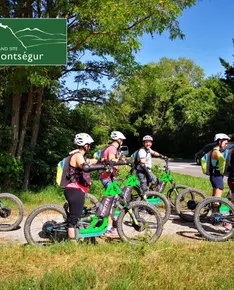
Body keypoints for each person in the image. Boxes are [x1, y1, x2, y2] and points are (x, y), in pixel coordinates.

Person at [64, 133, 100, 241]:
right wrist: (100, 166)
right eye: (89, 144)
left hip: (77, 189)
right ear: (85, 145)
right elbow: (85, 167)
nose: (89, 146)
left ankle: (77, 235)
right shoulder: (77, 155)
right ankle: (72, 242)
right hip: (74, 190)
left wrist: (101, 161)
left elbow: (89, 161)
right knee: (73, 219)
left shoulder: (81, 156)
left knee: (77, 214)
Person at [100, 131, 127, 236]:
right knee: (112, 201)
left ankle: (110, 221)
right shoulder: (112, 148)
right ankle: (108, 228)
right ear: (118, 140)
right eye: (121, 140)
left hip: (110, 177)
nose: (122, 142)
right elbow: (111, 160)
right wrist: (121, 160)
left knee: (114, 199)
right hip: (107, 178)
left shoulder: (111, 148)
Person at [210, 133, 230, 199]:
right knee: (218, 198)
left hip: (215, 175)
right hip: (217, 176)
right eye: (225, 143)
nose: (226, 145)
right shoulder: (217, 152)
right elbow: (225, 161)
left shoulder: (215, 150)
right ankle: (215, 209)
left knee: (214, 196)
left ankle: (211, 207)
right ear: (219, 141)